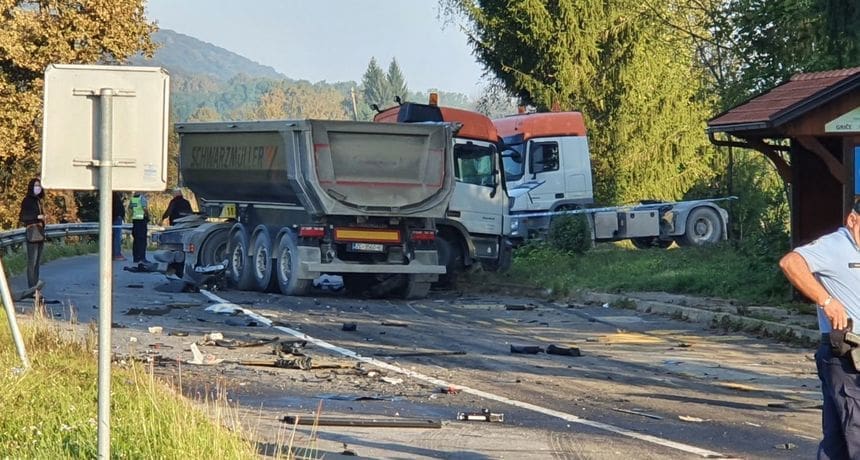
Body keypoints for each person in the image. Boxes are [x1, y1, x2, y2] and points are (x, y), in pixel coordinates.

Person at [779, 201, 860, 459]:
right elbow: (791, 262)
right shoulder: (835, 245)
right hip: (847, 355)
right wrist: (826, 301)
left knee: (837, 441)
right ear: (852, 220)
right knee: (856, 431)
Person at [18, 178, 45, 289]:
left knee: (37, 262)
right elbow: (23, 217)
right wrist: (37, 217)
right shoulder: (27, 200)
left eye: (39, 185)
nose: (38, 188)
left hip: (40, 232)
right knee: (32, 262)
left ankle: (35, 286)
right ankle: (32, 287)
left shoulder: (39, 200)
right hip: (32, 231)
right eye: (36, 185)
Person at [129, 191, 150, 264]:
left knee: (136, 240)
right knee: (142, 241)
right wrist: (148, 216)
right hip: (142, 220)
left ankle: (136, 257)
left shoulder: (133, 199)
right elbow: (144, 208)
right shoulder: (142, 198)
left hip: (135, 220)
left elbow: (130, 208)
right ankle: (142, 257)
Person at [112, 192, 126, 261]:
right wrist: (120, 215)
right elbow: (118, 207)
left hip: (114, 217)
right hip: (117, 218)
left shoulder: (112, 196)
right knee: (117, 237)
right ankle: (117, 254)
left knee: (114, 237)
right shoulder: (115, 196)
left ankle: (114, 253)